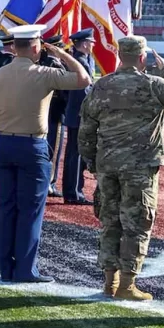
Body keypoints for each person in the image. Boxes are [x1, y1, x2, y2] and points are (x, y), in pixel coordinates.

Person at [78, 36, 164, 300]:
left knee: (110, 222)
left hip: (107, 164)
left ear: (120, 55)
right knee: (137, 223)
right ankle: (127, 285)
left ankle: (110, 282)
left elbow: (86, 130)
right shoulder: (153, 84)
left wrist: (91, 162)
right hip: (140, 167)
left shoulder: (102, 86)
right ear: (142, 58)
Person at [0, 24, 90, 283]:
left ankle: (5, 267)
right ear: (37, 46)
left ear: (14, 47)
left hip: (4, 143)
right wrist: (61, 54)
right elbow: (83, 78)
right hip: (32, 146)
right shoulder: (44, 73)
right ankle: (26, 269)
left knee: (7, 208)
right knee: (30, 211)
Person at [62, 29, 96, 205]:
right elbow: (84, 91)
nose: (93, 46)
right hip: (79, 113)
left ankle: (74, 190)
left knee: (75, 154)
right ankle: (73, 192)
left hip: (77, 113)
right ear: (84, 44)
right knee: (75, 154)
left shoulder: (82, 60)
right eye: (91, 43)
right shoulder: (79, 61)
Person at [41, 34, 69, 198]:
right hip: (56, 112)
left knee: (47, 147)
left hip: (45, 111)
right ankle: (49, 183)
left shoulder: (43, 63)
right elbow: (64, 91)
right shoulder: (56, 66)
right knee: (54, 148)